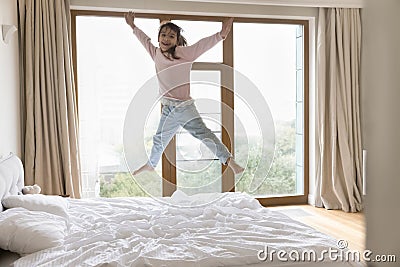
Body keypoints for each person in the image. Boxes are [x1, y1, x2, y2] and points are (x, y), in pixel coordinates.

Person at [125, 11, 244, 175]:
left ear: (177, 40)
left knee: (205, 135)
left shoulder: (184, 53)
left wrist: (221, 35)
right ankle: (151, 164)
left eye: (171, 36)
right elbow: (144, 40)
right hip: (168, 110)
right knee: (159, 140)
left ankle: (230, 162)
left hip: (185, 108)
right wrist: (132, 25)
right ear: (159, 37)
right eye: (163, 35)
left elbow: (202, 45)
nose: (166, 39)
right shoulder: (156, 53)